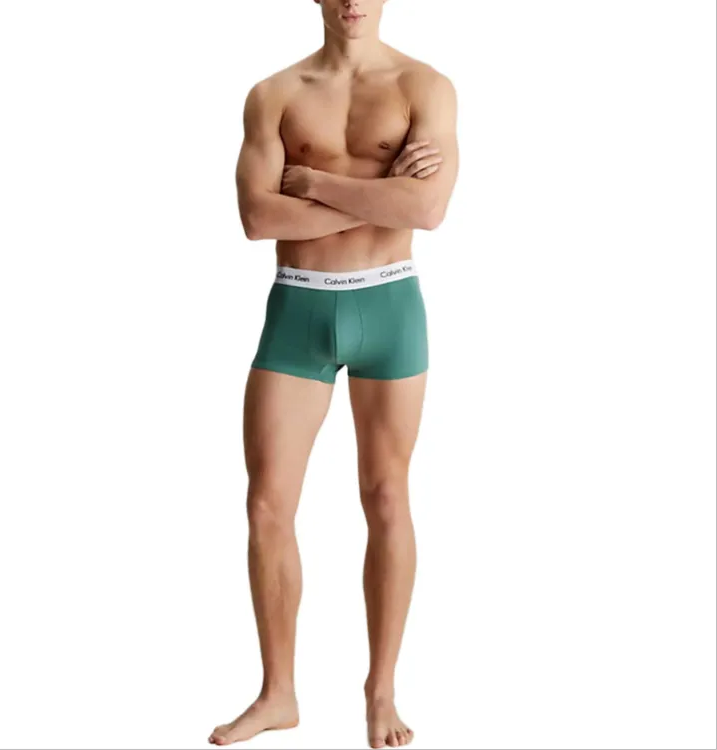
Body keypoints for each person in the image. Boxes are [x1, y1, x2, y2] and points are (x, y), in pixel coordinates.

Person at [209, 1, 458, 747]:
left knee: (386, 495)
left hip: (391, 306)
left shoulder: (424, 86)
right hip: (299, 308)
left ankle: (381, 694)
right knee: (266, 505)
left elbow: (428, 207)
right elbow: (257, 219)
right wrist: (379, 197)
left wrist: (310, 182)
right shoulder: (274, 94)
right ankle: (277, 693)